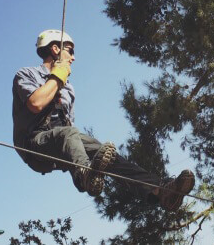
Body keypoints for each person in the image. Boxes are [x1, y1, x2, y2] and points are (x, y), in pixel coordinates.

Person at [12, 29, 195, 211]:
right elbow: (36, 103)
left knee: (110, 157)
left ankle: (160, 190)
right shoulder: (27, 74)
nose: (73, 58)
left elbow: (68, 124)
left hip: (62, 141)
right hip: (34, 143)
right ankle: (84, 175)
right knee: (68, 134)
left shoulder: (69, 89)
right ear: (55, 49)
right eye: (70, 50)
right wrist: (57, 76)